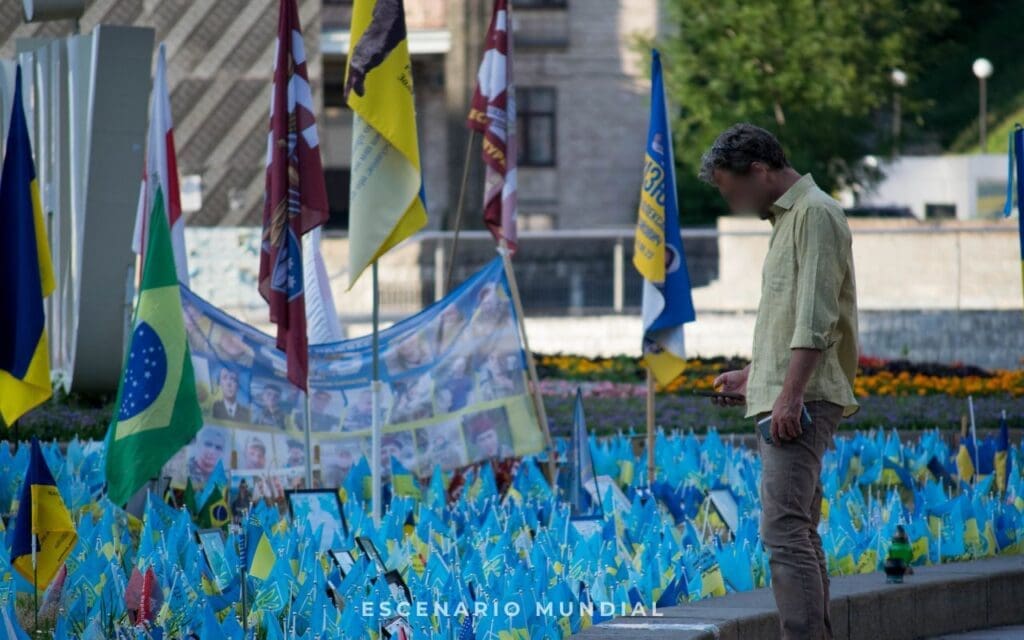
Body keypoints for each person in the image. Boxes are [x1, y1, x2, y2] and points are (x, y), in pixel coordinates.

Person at [699, 123, 859, 640]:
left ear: (760, 171)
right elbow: (792, 320)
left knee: (783, 531)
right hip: (791, 394)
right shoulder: (791, 218)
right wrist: (755, 376)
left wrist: (788, 395)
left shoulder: (814, 214)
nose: (733, 204)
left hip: (803, 400)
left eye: (733, 191)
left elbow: (815, 319)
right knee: (797, 530)